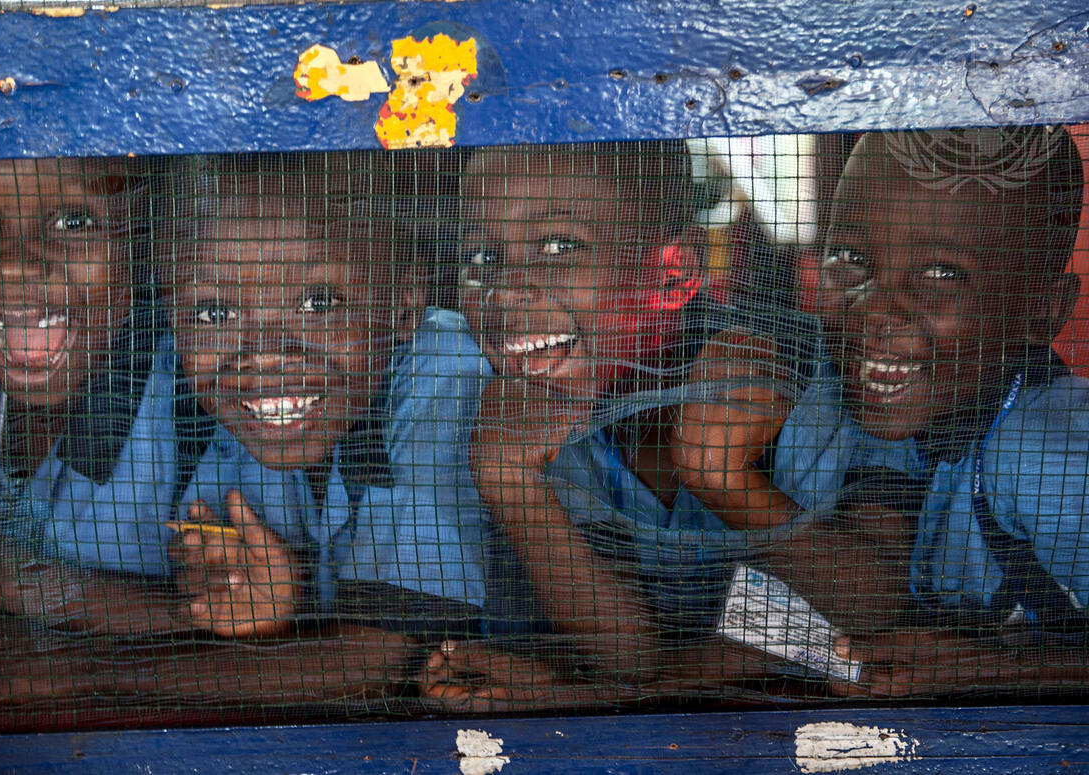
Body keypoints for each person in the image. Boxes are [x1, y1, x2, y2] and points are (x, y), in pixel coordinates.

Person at [0, 153, 494, 707]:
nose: (266, 355)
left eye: (318, 303)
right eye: (213, 314)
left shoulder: (445, 371)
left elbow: (385, 656)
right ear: (168, 309)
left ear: (402, 304)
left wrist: (77, 673)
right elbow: (220, 611)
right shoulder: (180, 396)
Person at [420, 142, 803, 710]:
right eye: (480, 258)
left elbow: (853, 614)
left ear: (675, 273)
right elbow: (626, 658)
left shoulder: (783, 375)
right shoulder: (501, 407)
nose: (504, 291)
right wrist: (507, 480)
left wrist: (721, 475)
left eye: (559, 246)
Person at [728, 127, 1087, 697]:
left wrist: (985, 667)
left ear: (1041, 312)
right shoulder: (866, 399)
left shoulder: (1051, 457)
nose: (876, 310)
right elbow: (836, 617)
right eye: (849, 259)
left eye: (941, 275)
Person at [0, 157, 189, 638]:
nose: (12, 264)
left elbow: (252, 620)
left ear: (144, 240)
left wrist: (6, 580)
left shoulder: (197, 403)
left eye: (75, 222)